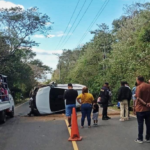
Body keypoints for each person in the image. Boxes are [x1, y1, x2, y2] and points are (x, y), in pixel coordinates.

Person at [134, 76, 150, 144]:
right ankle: (148, 138)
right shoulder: (149, 86)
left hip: (140, 108)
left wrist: (145, 103)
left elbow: (138, 98)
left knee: (140, 124)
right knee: (148, 124)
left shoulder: (139, 87)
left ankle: (140, 138)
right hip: (148, 109)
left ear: (138, 80)